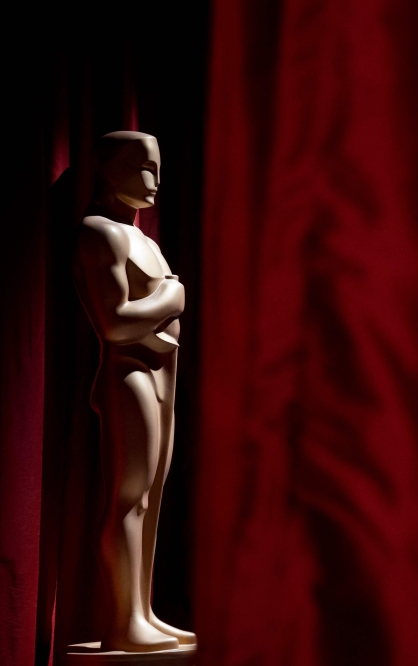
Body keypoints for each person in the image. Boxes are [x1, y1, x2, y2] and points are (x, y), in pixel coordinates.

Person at [72, 131, 196, 652]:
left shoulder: (144, 239)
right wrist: (172, 295)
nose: (155, 181)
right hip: (129, 372)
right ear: (108, 169)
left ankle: (142, 611)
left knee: (153, 495)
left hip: (161, 370)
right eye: (143, 167)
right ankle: (123, 622)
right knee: (130, 496)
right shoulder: (99, 233)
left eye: (158, 168)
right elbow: (115, 323)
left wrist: (165, 301)